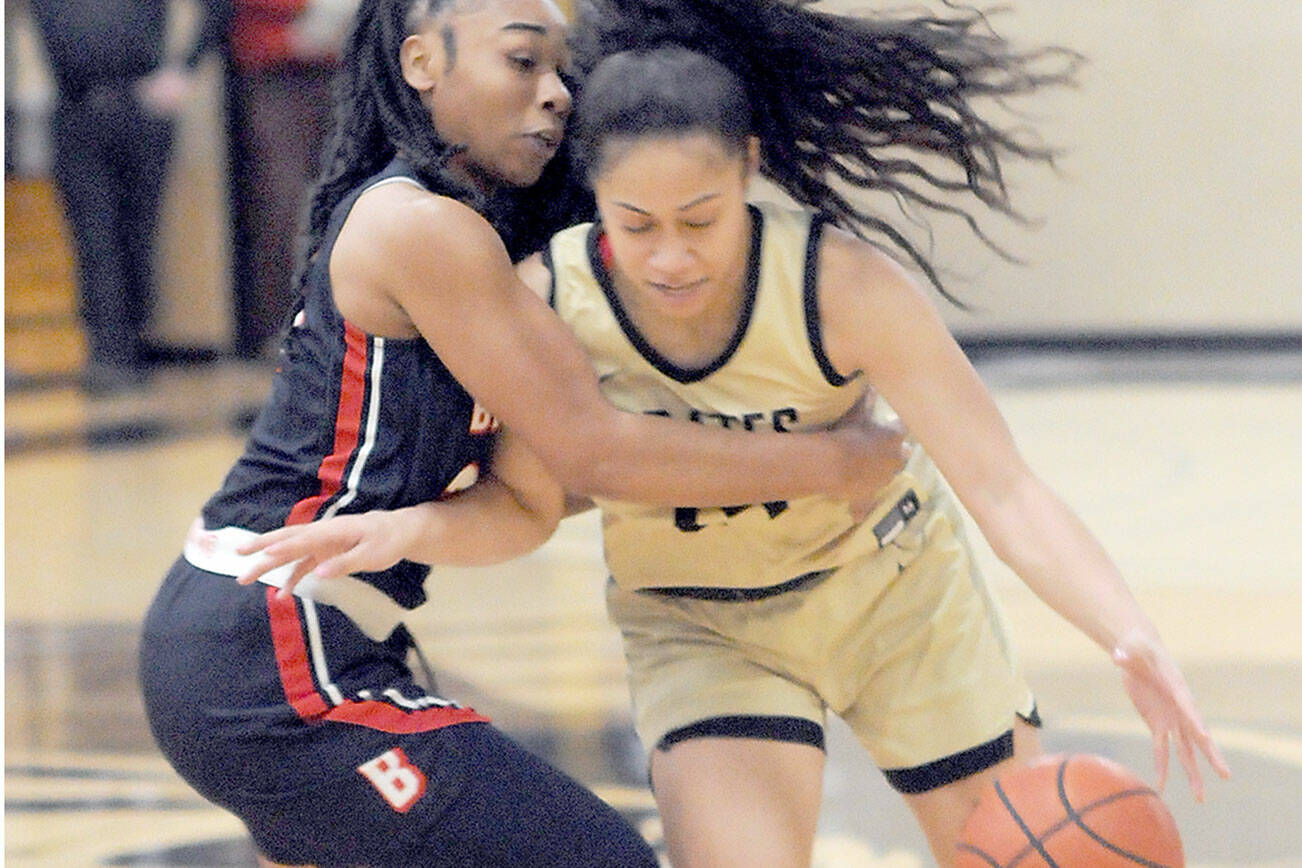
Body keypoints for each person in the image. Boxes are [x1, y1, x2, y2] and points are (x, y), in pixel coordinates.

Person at [241, 3, 1232, 866]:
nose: (670, 257)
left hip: (900, 611)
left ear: (751, 171)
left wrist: (1124, 629)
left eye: (702, 220)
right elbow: (527, 508)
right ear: (595, 198)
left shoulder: (843, 287)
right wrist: (409, 528)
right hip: (704, 625)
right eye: (638, 224)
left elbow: (1004, 486)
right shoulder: (553, 300)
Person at [137, 0, 905, 865]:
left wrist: (737, 455)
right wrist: (830, 459)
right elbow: (600, 448)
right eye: (522, 62)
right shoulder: (419, 227)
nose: (555, 96)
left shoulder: (493, 244)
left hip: (290, 642)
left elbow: (529, 500)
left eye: (562, 72)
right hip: (269, 653)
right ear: (424, 63)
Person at [25, 0, 231, 395]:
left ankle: (131, 349)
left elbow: (218, 9)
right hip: (75, 108)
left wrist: (185, 69)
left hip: (140, 105)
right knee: (93, 239)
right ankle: (107, 355)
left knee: (139, 236)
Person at [225, 0, 355, 359]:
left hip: (337, 68)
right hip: (275, 71)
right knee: (281, 205)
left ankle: (343, 323)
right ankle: (283, 328)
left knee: (346, 198)